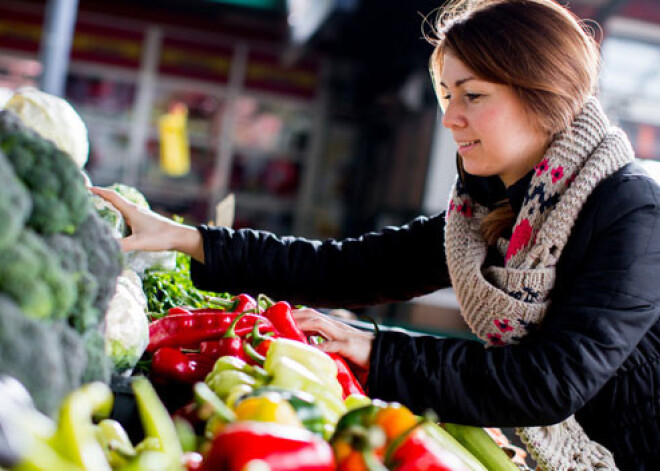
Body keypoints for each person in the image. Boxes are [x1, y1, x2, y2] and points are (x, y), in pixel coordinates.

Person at [92, 0, 660, 468]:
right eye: (446, 95)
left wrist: (374, 348)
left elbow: (549, 382)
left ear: (541, 93)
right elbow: (345, 268)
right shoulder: (488, 213)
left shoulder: (631, 211)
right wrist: (188, 239)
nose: (450, 118)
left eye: (473, 95)